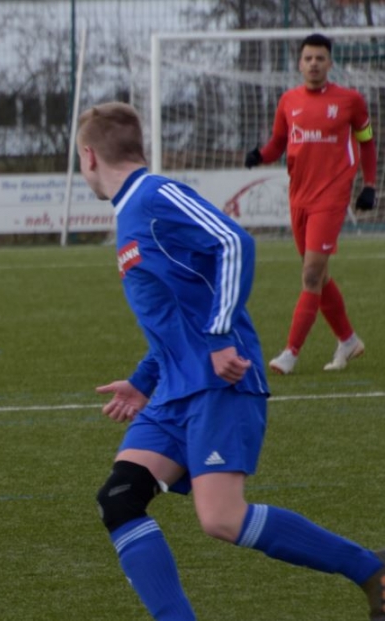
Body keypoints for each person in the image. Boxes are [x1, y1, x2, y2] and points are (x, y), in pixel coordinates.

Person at [78, 101, 385, 620]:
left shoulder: (154, 194)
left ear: (88, 156)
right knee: (120, 498)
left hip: (221, 381)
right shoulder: (131, 211)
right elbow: (176, 313)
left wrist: (221, 336)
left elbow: (234, 241)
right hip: (174, 390)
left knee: (221, 518)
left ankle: (370, 570)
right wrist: (142, 380)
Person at [244, 32, 377, 375]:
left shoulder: (350, 101)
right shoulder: (288, 101)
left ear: (330, 63)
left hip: (331, 197)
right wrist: (260, 156)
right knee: (319, 274)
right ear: (300, 63)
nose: (314, 63)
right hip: (299, 197)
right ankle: (348, 340)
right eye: (308, 58)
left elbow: (366, 141)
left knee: (311, 273)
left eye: (320, 58)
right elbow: (278, 143)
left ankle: (290, 353)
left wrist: (369, 185)